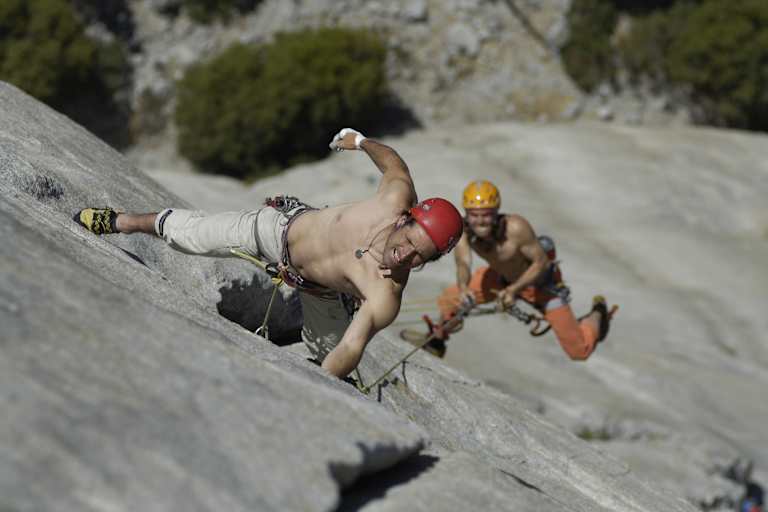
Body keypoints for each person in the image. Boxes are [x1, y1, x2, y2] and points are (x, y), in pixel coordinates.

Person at [74, 128, 463, 379]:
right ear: (407, 218)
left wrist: (323, 386)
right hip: (277, 230)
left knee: (329, 352)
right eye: (410, 243)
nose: (406, 257)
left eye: (420, 258)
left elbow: (350, 347)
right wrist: (360, 142)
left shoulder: (385, 295)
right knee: (191, 234)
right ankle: (121, 221)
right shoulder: (393, 198)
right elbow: (394, 163)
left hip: (320, 290)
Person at [404, 179, 613, 359]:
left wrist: (513, 290)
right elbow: (463, 263)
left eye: (485, 214)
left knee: (579, 350)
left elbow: (540, 263)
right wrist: (463, 287)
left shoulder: (516, 228)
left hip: (543, 286)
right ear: (467, 213)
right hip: (501, 278)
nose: (480, 221)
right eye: (474, 215)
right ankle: (436, 341)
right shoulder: (465, 231)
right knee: (452, 298)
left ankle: (597, 315)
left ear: (496, 211)